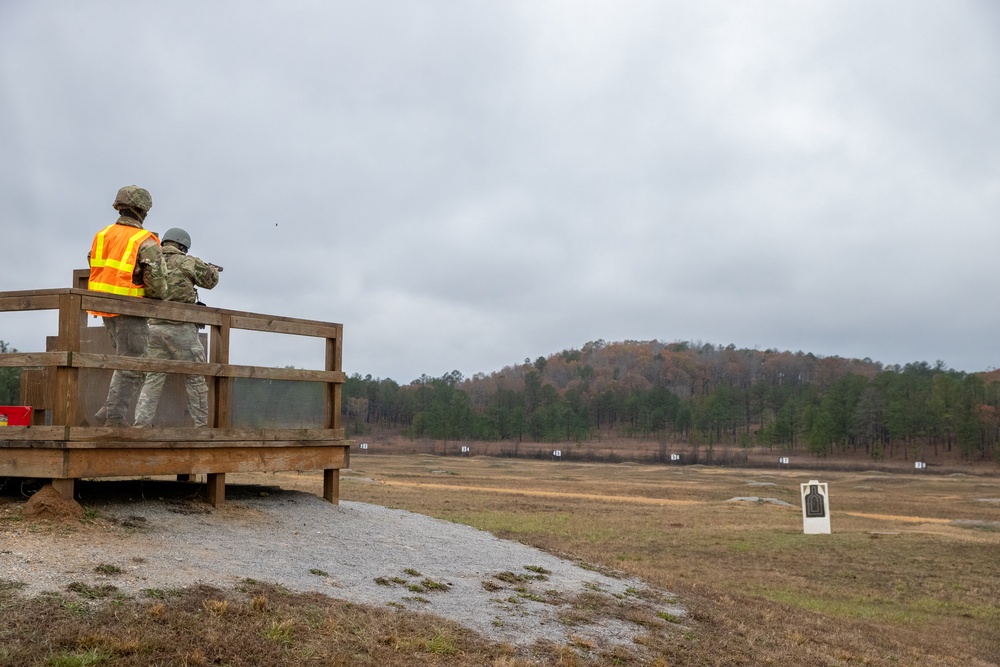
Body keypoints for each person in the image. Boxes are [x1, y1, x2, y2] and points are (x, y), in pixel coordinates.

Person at [88, 185, 165, 427]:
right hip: (131, 309)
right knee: (134, 364)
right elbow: (157, 286)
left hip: (104, 308)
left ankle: (108, 412)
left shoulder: (102, 235)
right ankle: (114, 418)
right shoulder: (145, 240)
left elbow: (93, 262)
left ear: (119, 206)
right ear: (143, 210)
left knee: (126, 360)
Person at [133, 227, 221, 428]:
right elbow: (210, 282)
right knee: (195, 378)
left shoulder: (151, 260)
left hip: (152, 328)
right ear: (183, 245)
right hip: (181, 329)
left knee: (152, 379)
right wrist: (213, 270)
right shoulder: (188, 261)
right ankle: (201, 428)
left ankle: (141, 425)